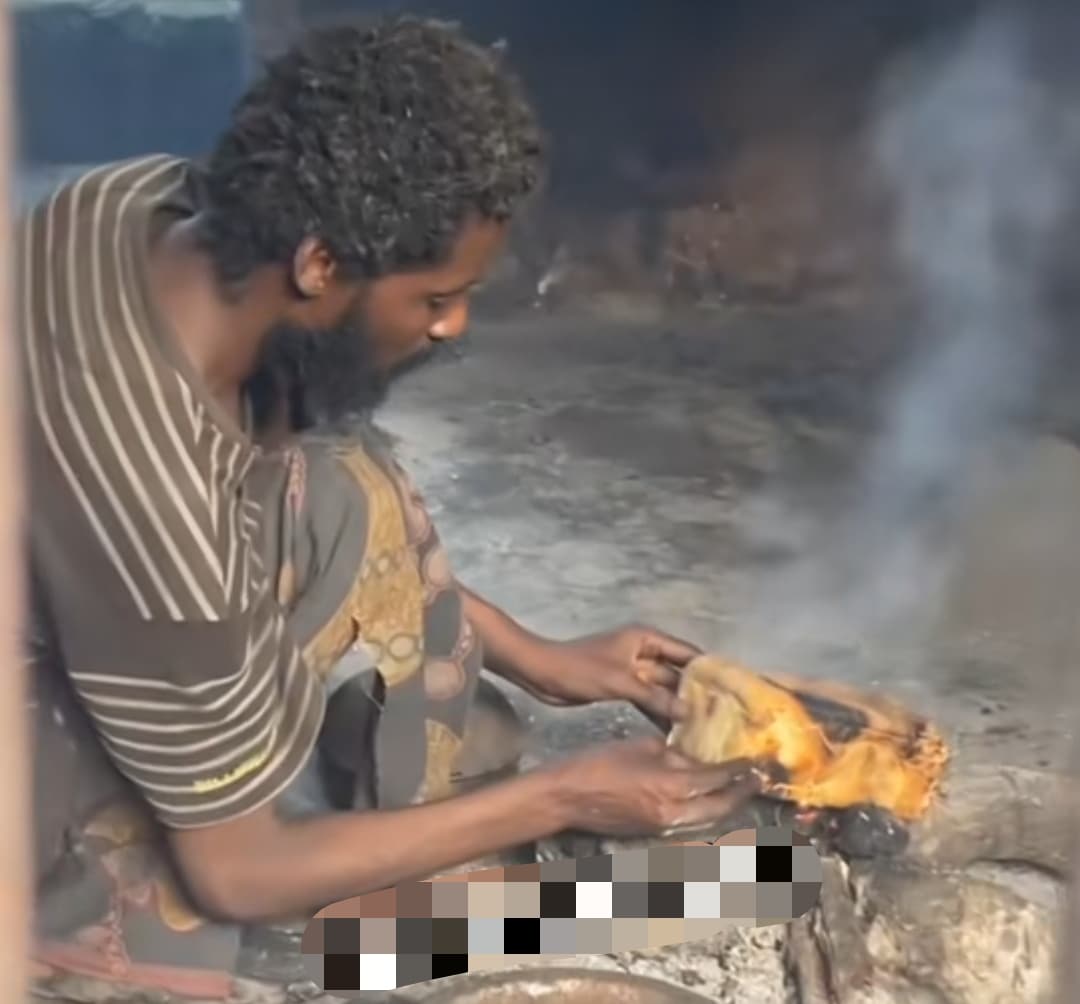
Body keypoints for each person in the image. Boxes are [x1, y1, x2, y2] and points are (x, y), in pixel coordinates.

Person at [22, 16, 760, 998]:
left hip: (95, 599)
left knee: (338, 468)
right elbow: (234, 866)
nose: (453, 325)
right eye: (436, 297)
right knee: (206, 926)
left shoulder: (138, 208)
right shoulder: (149, 516)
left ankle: (396, 846)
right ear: (321, 262)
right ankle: (339, 939)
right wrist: (564, 791)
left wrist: (539, 654)